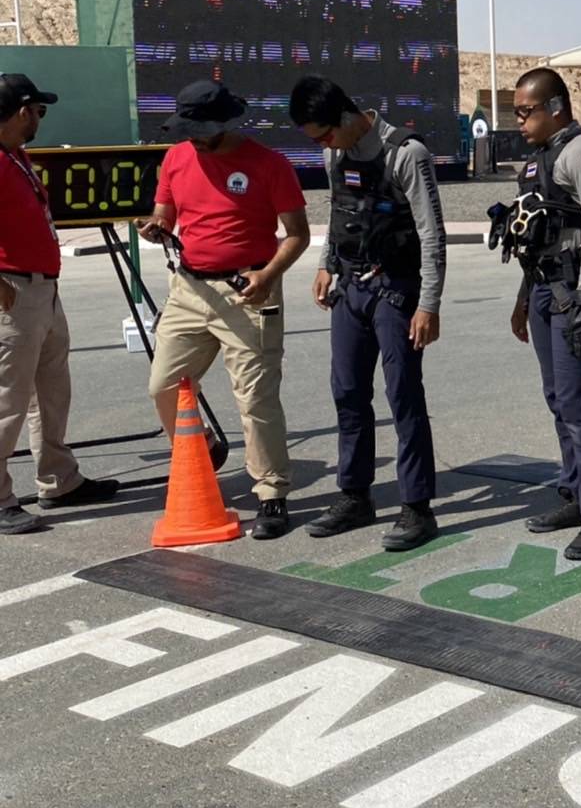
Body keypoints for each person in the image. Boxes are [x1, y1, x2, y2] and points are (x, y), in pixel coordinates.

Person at [137, 80, 308, 539]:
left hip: (248, 291)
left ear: (227, 123)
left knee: (255, 398)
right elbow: (164, 214)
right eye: (187, 129)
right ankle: (202, 447)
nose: (192, 138)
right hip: (189, 290)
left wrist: (266, 277)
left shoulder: (269, 165)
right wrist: (156, 226)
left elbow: (297, 234)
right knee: (162, 385)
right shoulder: (176, 158)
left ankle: (271, 493)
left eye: (200, 130)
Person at [290, 75, 447, 551]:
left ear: (344, 118)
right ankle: (354, 496)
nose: (322, 146)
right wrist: (324, 264)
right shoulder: (335, 153)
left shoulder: (406, 154)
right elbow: (339, 212)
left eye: (323, 135)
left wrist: (429, 304)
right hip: (350, 288)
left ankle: (417, 508)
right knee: (348, 393)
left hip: (397, 290)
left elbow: (432, 235)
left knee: (403, 395)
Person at [506, 68, 581, 559]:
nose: (519, 122)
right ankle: (574, 493)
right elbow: (531, 236)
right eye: (515, 113)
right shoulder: (538, 160)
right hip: (543, 290)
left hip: (575, 293)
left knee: (577, 402)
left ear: (556, 107)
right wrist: (522, 297)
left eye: (526, 111)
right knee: (558, 398)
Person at [0, 74, 120, 534]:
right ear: (18, 112)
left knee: (50, 393)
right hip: (14, 291)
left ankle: (59, 479)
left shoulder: (15, 156)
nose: (40, 120)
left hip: (42, 290)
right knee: (7, 399)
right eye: (37, 111)